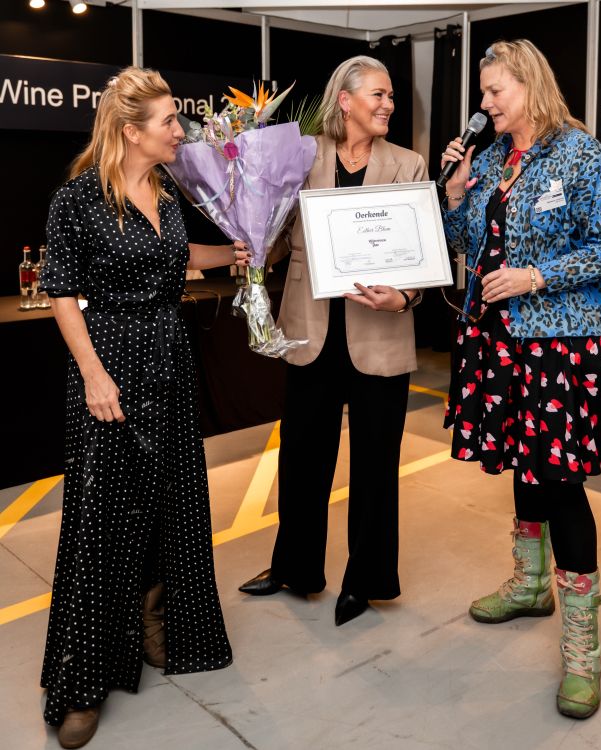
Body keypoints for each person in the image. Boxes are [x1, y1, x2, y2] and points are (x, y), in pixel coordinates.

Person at [39, 67, 250, 748]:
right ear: (131, 131)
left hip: (169, 359)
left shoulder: (162, 190)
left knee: (169, 500)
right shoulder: (77, 198)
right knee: (101, 519)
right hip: (110, 364)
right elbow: (61, 291)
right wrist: (93, 374)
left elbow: (176, 257)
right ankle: (83, 680)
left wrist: (235, 251)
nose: (179, 131)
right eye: (167, 121)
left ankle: (154, 620)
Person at [440, 39, 601, 719]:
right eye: (483, 92)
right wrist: (454, 195)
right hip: (497, 340)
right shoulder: (491, 159)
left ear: (528, 85)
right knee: (523, 464)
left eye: (495, 91)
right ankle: (529, 585)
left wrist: (535, 276)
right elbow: (466, 243)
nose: (484, 103)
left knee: (559, 482)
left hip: (557, 343)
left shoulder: (579, 153)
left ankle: (582, 651)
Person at [238, 55, 428, 626]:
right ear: (345, 100)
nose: (388, 104)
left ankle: (366, 580)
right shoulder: (301, 155)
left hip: (380, 333)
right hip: (310, 331)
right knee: (301, 460)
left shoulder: (408, 163)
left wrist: (405, 297)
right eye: (378, 95)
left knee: (376, 466)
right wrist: (249, 242)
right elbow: (275, 235)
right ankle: (294, 567)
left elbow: (421, 251)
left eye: (391, 96)